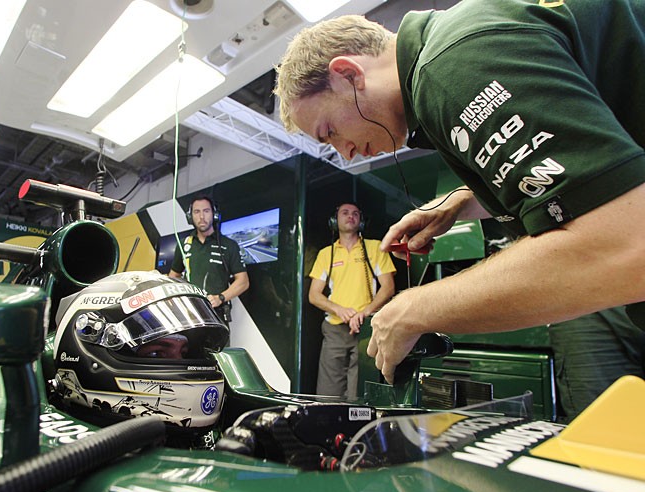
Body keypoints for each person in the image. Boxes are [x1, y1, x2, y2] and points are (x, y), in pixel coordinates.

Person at [274, 1, 645, 388]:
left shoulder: (450, 66)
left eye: (329, 131)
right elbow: (591, 156)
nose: (344, 152)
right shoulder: (452, 54)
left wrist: (413, 310)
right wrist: (463, 201)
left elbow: (624, 244)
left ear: (349, 73)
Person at [309, 202, 396, 398]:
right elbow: (314, 295)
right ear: (335, 220)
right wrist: (339, 310)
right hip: (334, 329)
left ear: (361, 221)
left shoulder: (375, 248)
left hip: (367, 329)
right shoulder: (326, 254)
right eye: (345, 213)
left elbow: (388, 287)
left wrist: (363, 313)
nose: (351, 216)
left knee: (360, 392)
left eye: (356, 213)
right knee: (328, 394)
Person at [169, 196, 249, 324]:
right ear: (190, 217)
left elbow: (243, 281)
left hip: (217, 315)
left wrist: (220, 298)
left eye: (206, 211)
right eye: (196, 212)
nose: (201, 217)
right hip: (188, 314)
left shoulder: (229, 245)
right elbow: (173, 277)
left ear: (214, 214)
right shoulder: (183, 244)